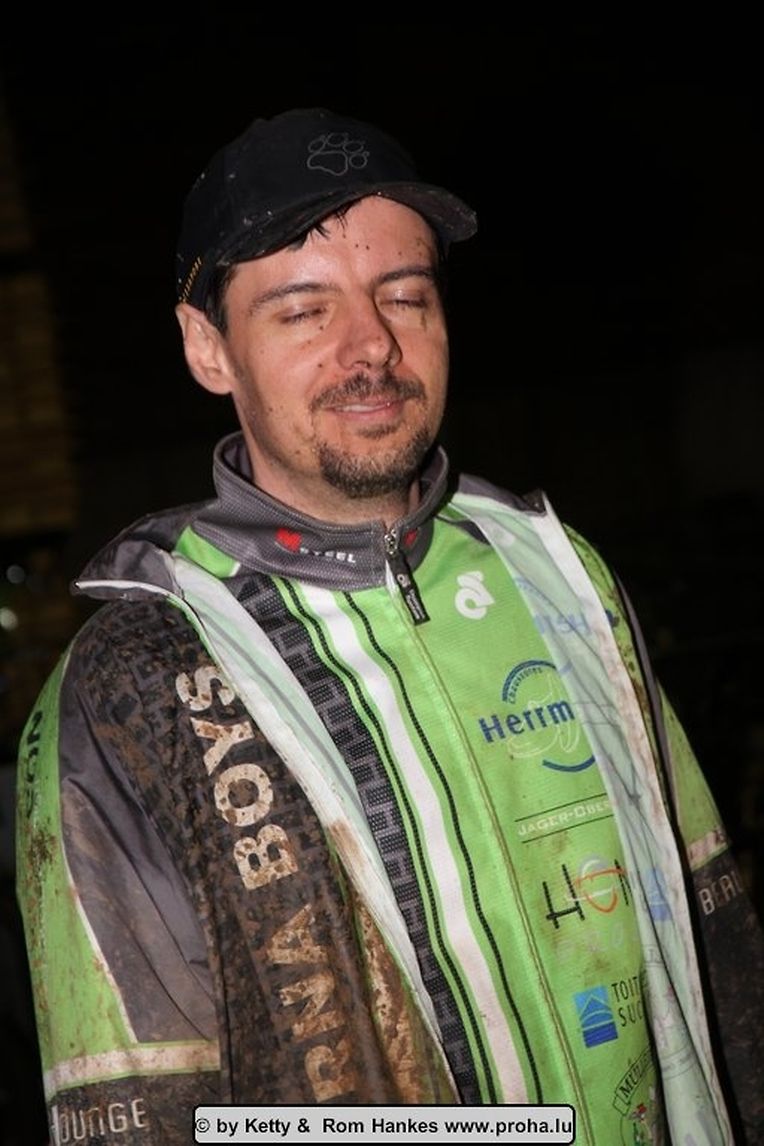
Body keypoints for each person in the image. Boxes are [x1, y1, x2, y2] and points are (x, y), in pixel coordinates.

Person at [15, 106, 763, 1145]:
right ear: (209, 348)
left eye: (405, 295)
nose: (371, 345)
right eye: (302, 311)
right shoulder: (131, 681)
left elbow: (716, 936)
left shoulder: (557, 574)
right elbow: (133, 1108)